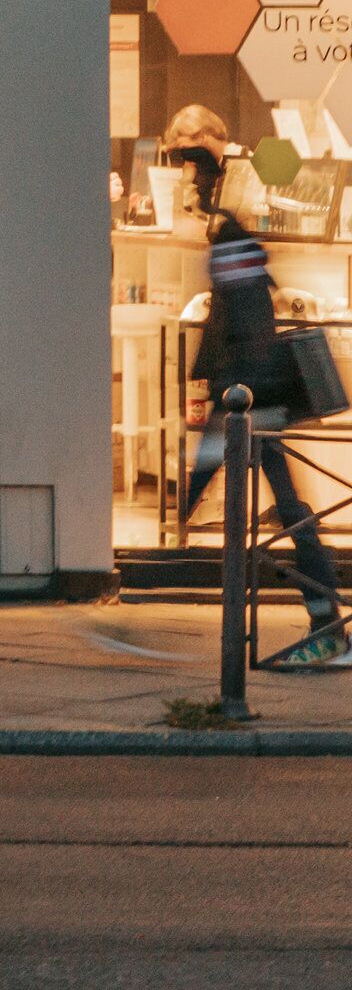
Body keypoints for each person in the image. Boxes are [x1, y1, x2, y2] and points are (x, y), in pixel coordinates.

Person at [173, 143, 351, 670]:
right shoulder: (228, 240)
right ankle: (326, 619)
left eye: (194, 179)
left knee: (290, 510)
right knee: (286, 505)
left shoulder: (228, 241)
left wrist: (239, 394)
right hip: (248, 396)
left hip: (250, 400)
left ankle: (327, 624)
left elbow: (245, 320)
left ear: (212, 181)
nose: (189, 190)